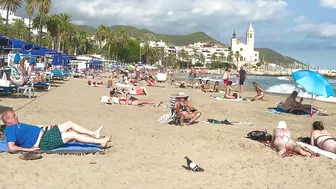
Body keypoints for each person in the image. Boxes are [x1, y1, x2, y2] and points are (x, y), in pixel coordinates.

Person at [1, 109, 111, 152]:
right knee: (72, 134)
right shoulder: (10, 130)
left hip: (46, 133)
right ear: (9, 121)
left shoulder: (16, 125)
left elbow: (29, 129)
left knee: (69, 123)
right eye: (14, 116)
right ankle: (100, 142)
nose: (17, 116)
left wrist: (46, 127)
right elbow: (11, 147)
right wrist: (28, 150)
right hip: (44, 141)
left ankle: (93, 133)